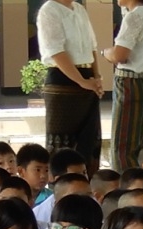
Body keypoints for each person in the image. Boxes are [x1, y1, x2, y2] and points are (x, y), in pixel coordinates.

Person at [39, 0, 105, 168]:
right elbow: (56, 51)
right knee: (63, 143)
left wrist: (96, 77)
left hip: (87, 78)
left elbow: (92, 47)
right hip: (62, 81)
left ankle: (88, 179)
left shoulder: (80, 9)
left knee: (90, 139)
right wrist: (81, 81)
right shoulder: (49, 10)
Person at [104, 0, 143, 174]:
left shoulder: (135, 16)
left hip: (132, 84)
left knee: (123, 149)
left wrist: (105, 52)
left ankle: (128, 186)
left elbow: (119, 55)